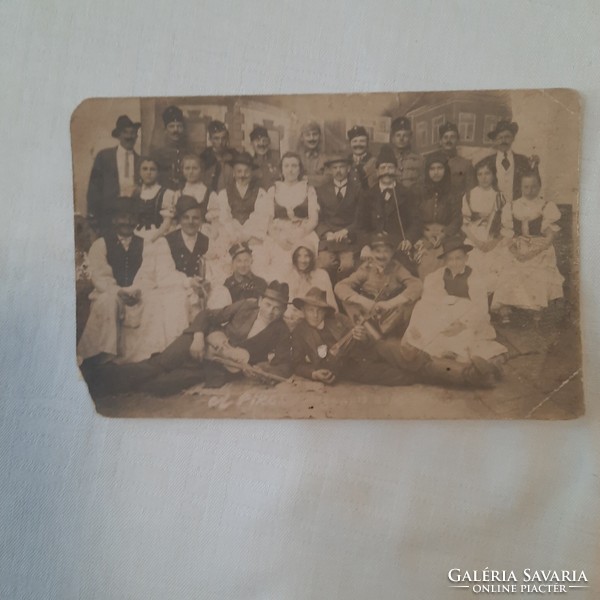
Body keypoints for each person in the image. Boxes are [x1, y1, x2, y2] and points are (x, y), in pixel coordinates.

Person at [85, 281, 293, 397]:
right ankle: (99, 380)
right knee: (158, 365)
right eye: (268, 304)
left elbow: (284, 364)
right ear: (260, 301)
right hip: (203, 342)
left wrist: (265, 371)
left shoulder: (281, 331)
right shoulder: (247, 306)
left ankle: (122, 381)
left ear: (284, 310)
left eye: (278, 308)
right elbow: (207, 315)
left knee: (163, 385)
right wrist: (199, 336)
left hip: (220, 365)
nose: (271, 311)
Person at [291, 287, 501, 389]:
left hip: (373, 349)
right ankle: (473, 377)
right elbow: (296, 363)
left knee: (413, 357)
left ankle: (469, 372)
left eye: (318, 310)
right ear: (304, 310)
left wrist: (362, 336)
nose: (315, 315)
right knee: (409, 376)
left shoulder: (338, 319)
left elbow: (368, 340)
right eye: (310, 310)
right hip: (355, 368)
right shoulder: (300, 332)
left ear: (324, 310)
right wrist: (314, 373)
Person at [77, 198, 189, 366]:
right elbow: (101, 277)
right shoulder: (100, 245)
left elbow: (147, 274)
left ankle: (148, 356)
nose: (127, 222)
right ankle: (103, 357)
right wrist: (118, 292)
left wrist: (137, 290)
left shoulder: (146, 244)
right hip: (109, 293)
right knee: (108, 301)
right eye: (122, 217)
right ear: (114, 220)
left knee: (155, 301)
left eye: (131, 217)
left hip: (137, 294)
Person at [403, 237, 508, 363]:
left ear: (466, 259)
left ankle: (454, 351)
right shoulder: (436, 276)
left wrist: (462, 323)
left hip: (466, 316)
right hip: (443, 314)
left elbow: (480, 307)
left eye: (459, 258)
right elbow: (430, 299)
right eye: (450, 259)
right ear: (445, 261)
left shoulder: (475, 278)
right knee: (421, 307)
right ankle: (433, 348)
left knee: (463, 318)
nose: (455, 263)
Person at [491, 172, 564, 323]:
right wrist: (515, 252)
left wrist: (534, 252)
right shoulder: (511, 206)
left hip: (539, 247)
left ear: (539, 187)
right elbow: (507, 235)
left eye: (534, 187)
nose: (530, 191)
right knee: (509, 267)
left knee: (537, 269)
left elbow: (550, 236)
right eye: (526, 187)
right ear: (521, 187)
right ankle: (505, 310)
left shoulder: (546, 206)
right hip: (516, 245)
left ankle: (535, 309)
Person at [334, 232, 422, 339]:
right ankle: (365, 331)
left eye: (386, 251)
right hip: (368, 312)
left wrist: (390, 303)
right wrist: (363, 301)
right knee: (347, 300)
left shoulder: (397, 268)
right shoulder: (366, 269)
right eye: (377, 251)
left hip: (390, 314)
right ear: (371, 252)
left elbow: (417, 285)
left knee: (411, 302)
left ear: (392, 252)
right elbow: (340, 286)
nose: (381, 255)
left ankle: (381, 333)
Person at [354, 146, 421, 266]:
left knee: (407, 271)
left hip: (398, 246)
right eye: (383, 168)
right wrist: (365, 245)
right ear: (377, 171)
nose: (386, 171)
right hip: (373, 245)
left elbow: (415, 222)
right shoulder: (367, 195)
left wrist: (409, 240)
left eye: (390, 167)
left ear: (396, 170)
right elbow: (360, 226)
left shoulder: (406, 193)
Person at [206, 151, 270, 280]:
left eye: (246, 172)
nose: (242, 175)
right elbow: (224, 217)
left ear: (251, 173)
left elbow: (261, 216)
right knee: (224, 261)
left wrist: (247, 235)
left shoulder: (260, 192)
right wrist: (235, 235)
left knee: (259, 259)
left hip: (252, 235)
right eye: (239, 171)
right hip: (231, 235)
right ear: (234, 173)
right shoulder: (224, 193)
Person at [257, 152, 320, 277]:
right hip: (278, 234)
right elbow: (267, 221)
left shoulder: (308, 189)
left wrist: (299, 234)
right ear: (281, 169)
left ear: (300, 169)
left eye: (294, 166)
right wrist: (278, 238)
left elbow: (314, 220)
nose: (290, 170)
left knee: (299, 259)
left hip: (303, 232)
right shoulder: (273, 189)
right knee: (272, 261)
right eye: (286, 166)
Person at [461, 160, 513, 293]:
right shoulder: (469, 195)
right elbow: (464, 225)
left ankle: (494, 300)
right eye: (480, 174)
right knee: (473, 263)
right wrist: (477, 242)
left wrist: (493, 243)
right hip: (474, 237)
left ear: (493, 175)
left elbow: (507, 226)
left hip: (495, 237)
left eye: (487, 173)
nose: (483, 177)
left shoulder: (500, 197)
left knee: (499, 263)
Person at [86, 115, 141, 234]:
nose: (129, 136)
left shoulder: (142, 161)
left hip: (132, 214)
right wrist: (92, 216)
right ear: (119, 135)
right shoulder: (104, 156)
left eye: (133, 133)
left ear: (136, 136)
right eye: (125, 132)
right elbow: (94, 187)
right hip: (109, 214)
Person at [411, 152, 462, 279]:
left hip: (446, 236)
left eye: (440, 168)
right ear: (427, 171)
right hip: (423, 236)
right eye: (432, 169)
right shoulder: (418, 190)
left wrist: (444, 234)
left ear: (446, 170)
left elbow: (457, 219)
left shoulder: (453, 191)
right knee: (423, 262)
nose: (436, 172)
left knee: (447, 263)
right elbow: (413, 217)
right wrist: (425, 233)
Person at [315, 154, 362, 282]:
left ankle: (341, 295)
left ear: (348, 169)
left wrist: (346, 231)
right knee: (324, 264)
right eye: (335, 168)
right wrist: (327, 233)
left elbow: (360, 218)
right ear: (330, 170)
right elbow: (318, 218)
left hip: (348, 238)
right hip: (328, 238)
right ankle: (327, 295)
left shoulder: (357, 189)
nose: (338, 171)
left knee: (347, 266)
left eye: (342, 167)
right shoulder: (321, 190)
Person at [165, 195, 210, 320]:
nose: (191, 222)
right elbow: (165, 274)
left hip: (201, 293)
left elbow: (212, 270)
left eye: (195, 218)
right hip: (177, 291)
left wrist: (206, 282)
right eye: (186, 217)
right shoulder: (168, 241)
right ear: (179, 220)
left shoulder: (206, 241)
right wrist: (188, 282)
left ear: (201, 220)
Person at [479, 120, 540, 202]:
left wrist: (535, 167)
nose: (503, 140)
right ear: (496, 141)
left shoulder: (523, 161)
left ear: (513, 138)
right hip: (492, 210)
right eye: (500, 137)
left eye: (507, 137)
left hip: (517, 209)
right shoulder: (486, 162)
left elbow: (535, 184)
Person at [283, 245, 338, 329]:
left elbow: (330, 302)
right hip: (294, 318)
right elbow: (288, 303)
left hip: (316, 318)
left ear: (312, 257)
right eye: (299, 256)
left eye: (306, 256)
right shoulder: (290, 275)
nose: (302, 260)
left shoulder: (321, 274)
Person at [132, 157, 176, 242]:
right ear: (139, 172)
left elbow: (167, 223)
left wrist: (152, 239)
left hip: (158, 235)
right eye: (145, 169)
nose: (148, 172)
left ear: (158, 172)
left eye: (152, 169)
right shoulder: (136, 193)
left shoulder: (166, 193)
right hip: (137, 234)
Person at [151, 105, 192, 190]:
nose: (175, 130)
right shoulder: (156, 154)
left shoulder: (190, 153)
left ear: (183, 129)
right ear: (165, 130)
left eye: (179, 126)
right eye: (171, 126)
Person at [437, 122, 475, 197]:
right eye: (445, 137)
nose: (448, 140)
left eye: (452, 137)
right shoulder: (431, 163)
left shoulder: (466, 165)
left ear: (457, 140)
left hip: (458, 206)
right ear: (440, 141)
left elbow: (470, 192)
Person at [200, 120, 237, 193]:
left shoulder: (234, 155)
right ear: (210, 139)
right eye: (216, 138)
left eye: (223, 138)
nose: (220, 142)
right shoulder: (204, 157)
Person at [388, 116, 424, 189]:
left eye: (405, 135)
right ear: (393, 139)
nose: (401, 139)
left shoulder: (419, 160)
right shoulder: (387, 160)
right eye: (398, 135)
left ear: (410, 138)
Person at [297, 121, 327, 188]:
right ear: (302, 138)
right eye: (308, 135)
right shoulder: (296, 158)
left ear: (320, 136)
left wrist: (304, 178)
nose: (312, 138)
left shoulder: (326, 158)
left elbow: (327, 180)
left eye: (315, 134)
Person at [346, 125, 378, 190]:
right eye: (355, 141)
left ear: (367, 143)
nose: (358, 144)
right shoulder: (345, 162)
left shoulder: (375, 162)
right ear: (350, 144)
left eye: (362, 141)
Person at [249, 125, 280, 190]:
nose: (262, 144)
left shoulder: (276, 162)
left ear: (269, 142)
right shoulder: (248, 163)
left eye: (265, 140)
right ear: (251, 143)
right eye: (258, 140)